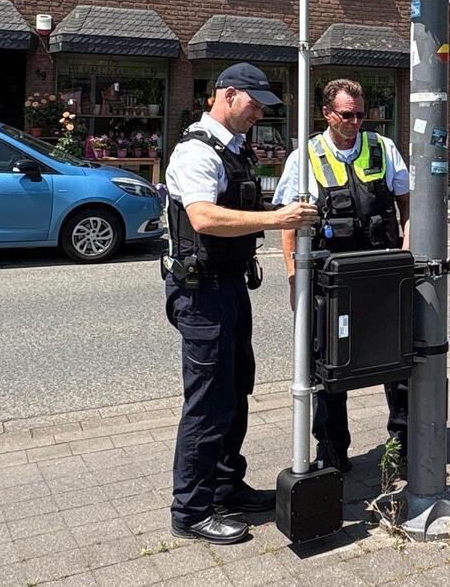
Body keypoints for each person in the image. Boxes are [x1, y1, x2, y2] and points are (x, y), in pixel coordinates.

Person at [164, 62, 318, 545]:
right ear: (227, 95)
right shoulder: (197, 151)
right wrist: (277, 220)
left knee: (234, 393)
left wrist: (281, 211)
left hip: (228, 286)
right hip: (201, 293)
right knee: (208, 402)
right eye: (253, 105)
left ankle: (226, 488)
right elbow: (204, 218)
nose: (258, 115)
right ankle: (191, 511)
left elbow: (240, 209)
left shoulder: (233, 149)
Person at [273, 77, 410, 474]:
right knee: (330, 368)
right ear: (327, 113)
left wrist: (406, 254)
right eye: (347, 115)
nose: (355, 122)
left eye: (360, 115)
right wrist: (294, 280)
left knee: (398, 362)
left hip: (382, 275)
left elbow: (408, 204)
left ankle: (403, 446)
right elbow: (288, 223)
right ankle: (332, 452)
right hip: (332, 282)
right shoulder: (305, 157)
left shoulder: (383, 148)